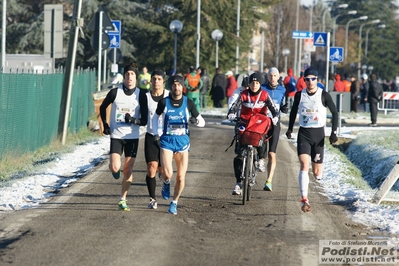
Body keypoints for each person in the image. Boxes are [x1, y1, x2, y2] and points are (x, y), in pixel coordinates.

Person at [285, 66, 338, 213]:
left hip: (318, 134)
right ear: (304, 80)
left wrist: (334, 132)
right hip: (304, 133)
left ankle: (318, 175)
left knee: (316, 173)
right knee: (303, 164)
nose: (310, 82)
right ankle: (304, 199)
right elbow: (293, 112)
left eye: (312, 79)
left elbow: (335, 113)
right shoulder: (299, 95)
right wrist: (290, 128)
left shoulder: (324, 95)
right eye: (307, 79)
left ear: (317, 80)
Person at [152, 75, 206, 215]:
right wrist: (155, 133)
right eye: (174, 85)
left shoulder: (188, 103)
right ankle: (166, 183)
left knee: (181, 177)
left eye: (179, 85)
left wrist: (195, 121)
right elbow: (155, 117)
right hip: (167, 142)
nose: (177, 87)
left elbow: (202, 122)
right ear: (171, 86)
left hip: (182, 143)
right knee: (168, 174)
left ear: (183, 87)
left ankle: (174, 202)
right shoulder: (164, 102)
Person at [99, 63, 148, 211]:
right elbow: (102, 107)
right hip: (116, 135)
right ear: (124, 76)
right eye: (127, 74)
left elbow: (144, 120)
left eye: (132, 75)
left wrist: (132, 120)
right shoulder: (115, 92)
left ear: (136, 77)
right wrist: (106, 126)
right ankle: (114, 169)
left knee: (128, 170)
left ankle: (123, 199)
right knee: (115, 167)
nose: (129, 77)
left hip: (132, 136)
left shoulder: (141, 95)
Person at [227, 72, 279, 196]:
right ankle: (238, 183)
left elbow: (273, 109)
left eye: (256, 83)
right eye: (252, 83)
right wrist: (231, 113)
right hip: (244, 123)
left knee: (263, 137)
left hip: (259, 123)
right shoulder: (243, 95)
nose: (254, 85)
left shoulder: (265, 95)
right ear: (249, 84)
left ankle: (261, 158)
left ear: (260, 84)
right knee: (239, 154)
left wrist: (275, 116)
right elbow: (235, 106)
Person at [144, 70, 170, 209]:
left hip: (166, 137)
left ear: (163, 81)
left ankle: (166, 182)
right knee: (151, 167)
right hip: (151, 135)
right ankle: (152, 199)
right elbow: (141, 115)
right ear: (150, 81)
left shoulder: (169, 96)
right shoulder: (146, 97)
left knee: (165, 172)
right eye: (154, 79)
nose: (156, 81)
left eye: (159, 79)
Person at [261, 67, 288, 191]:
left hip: (275, 123)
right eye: (270, 76)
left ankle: (269, 181)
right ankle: (257, 161)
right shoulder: (262, 88)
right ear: (267, 77)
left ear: (278, 77)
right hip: (261, 122)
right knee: (259, 148)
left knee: (272, 153)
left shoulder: (282, 90)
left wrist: (284, 108)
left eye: (274, 76)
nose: (272, 78)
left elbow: (282, 105)